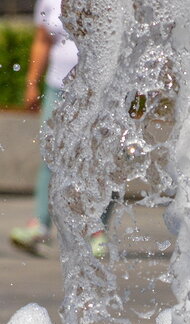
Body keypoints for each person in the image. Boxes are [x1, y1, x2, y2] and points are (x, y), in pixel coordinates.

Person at [9, 0, 109, 259]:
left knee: (98, 158)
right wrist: (32, 83)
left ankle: (97, 231)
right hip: (58, 87)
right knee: (51, 155)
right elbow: (43, 39)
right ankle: (40, 225)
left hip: (99, 89)